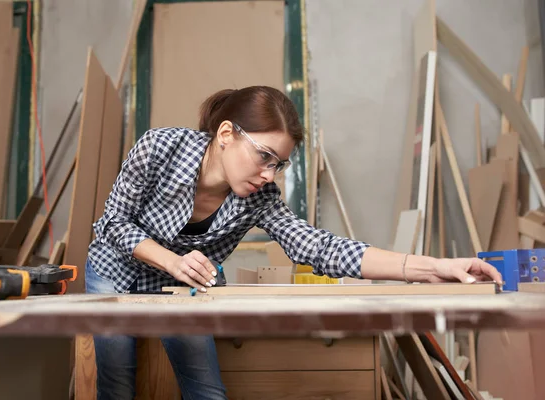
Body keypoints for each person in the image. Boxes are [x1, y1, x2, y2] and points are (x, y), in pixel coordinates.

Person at [85, 85, 502, 399]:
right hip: (115, 269)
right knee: (116, 376)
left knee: (206, 388)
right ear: (226, 133)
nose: (269, 175)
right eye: (264, 156)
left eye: (279, 165)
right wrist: (171, 261)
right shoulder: (160, 147)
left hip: (179, 286)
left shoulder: (260, 198)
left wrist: (434, 268)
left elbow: (318, 249)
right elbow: (113, 223)